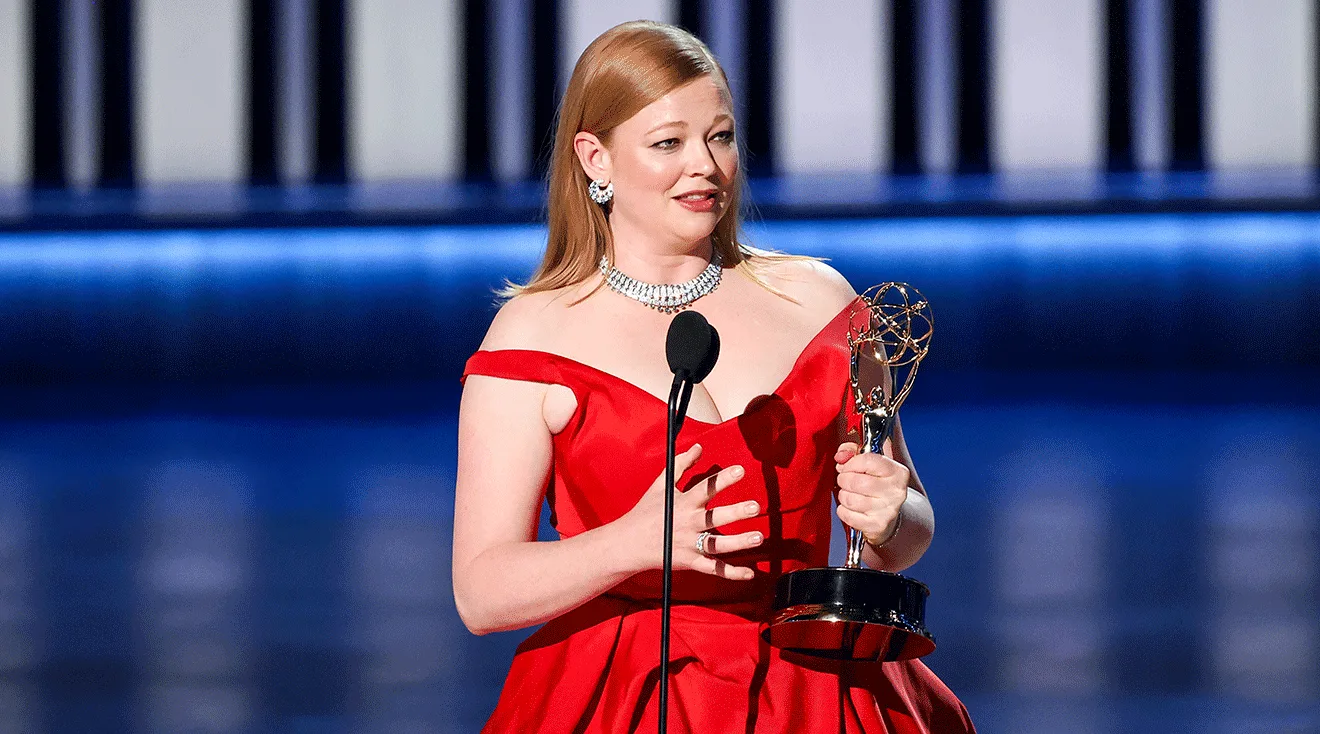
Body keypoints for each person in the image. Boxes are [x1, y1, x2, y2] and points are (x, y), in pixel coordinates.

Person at [453, 20, 975, 733]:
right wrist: (629, 544)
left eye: (720, 137)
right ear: (596, 157)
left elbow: (907, 526)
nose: (705, 165)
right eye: (668, 143)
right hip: (628, 696)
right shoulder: (533, 334)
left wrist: (892, 516)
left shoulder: (821, 302)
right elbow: (480, 592)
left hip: (815, 691)